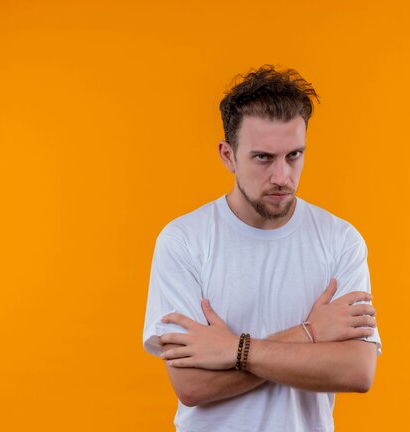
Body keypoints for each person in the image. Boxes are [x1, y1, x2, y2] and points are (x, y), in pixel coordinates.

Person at [142, 64, 382, 432]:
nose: (282, 177)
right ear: (227, 156)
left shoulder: (340, 240)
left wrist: (233, 350)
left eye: (294, 155)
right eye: (263, 158)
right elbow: (192, 386)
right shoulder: (183, 241)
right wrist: (310, 334)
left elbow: (358, 370)